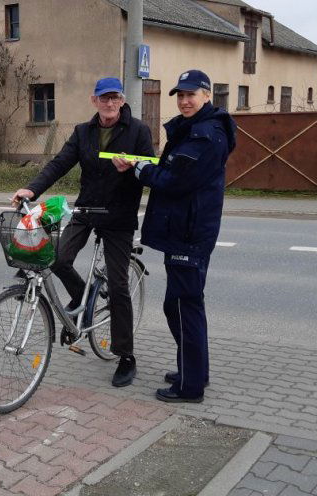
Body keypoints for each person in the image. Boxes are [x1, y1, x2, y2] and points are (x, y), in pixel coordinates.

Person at [11, 77, 155, 388]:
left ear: (122, 100)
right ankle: (84, 297)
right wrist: (32, 190)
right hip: (87, 209)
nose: (109, 103)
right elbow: (60, 163)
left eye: (115, 97)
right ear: (94, 101)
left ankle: (125, 355)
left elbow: (150, 170)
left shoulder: (138, 131)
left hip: (119, 217)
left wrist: (132, 168)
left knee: (118, 286)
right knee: (58, 259)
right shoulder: (83, 132)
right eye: (104, 98)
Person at [113, 69, 236, 402]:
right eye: (180, 95)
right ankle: (195, 371)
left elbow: (175, 180)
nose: (184, 100)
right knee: (183, 305)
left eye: (191, 94)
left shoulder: (205, 135)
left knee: (183, 306)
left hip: (189, 233)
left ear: (207, 95)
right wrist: (147, 164)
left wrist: (140, 169)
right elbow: (176, 169)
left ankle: (190, 387)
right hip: (186, 230)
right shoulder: (197, 129)